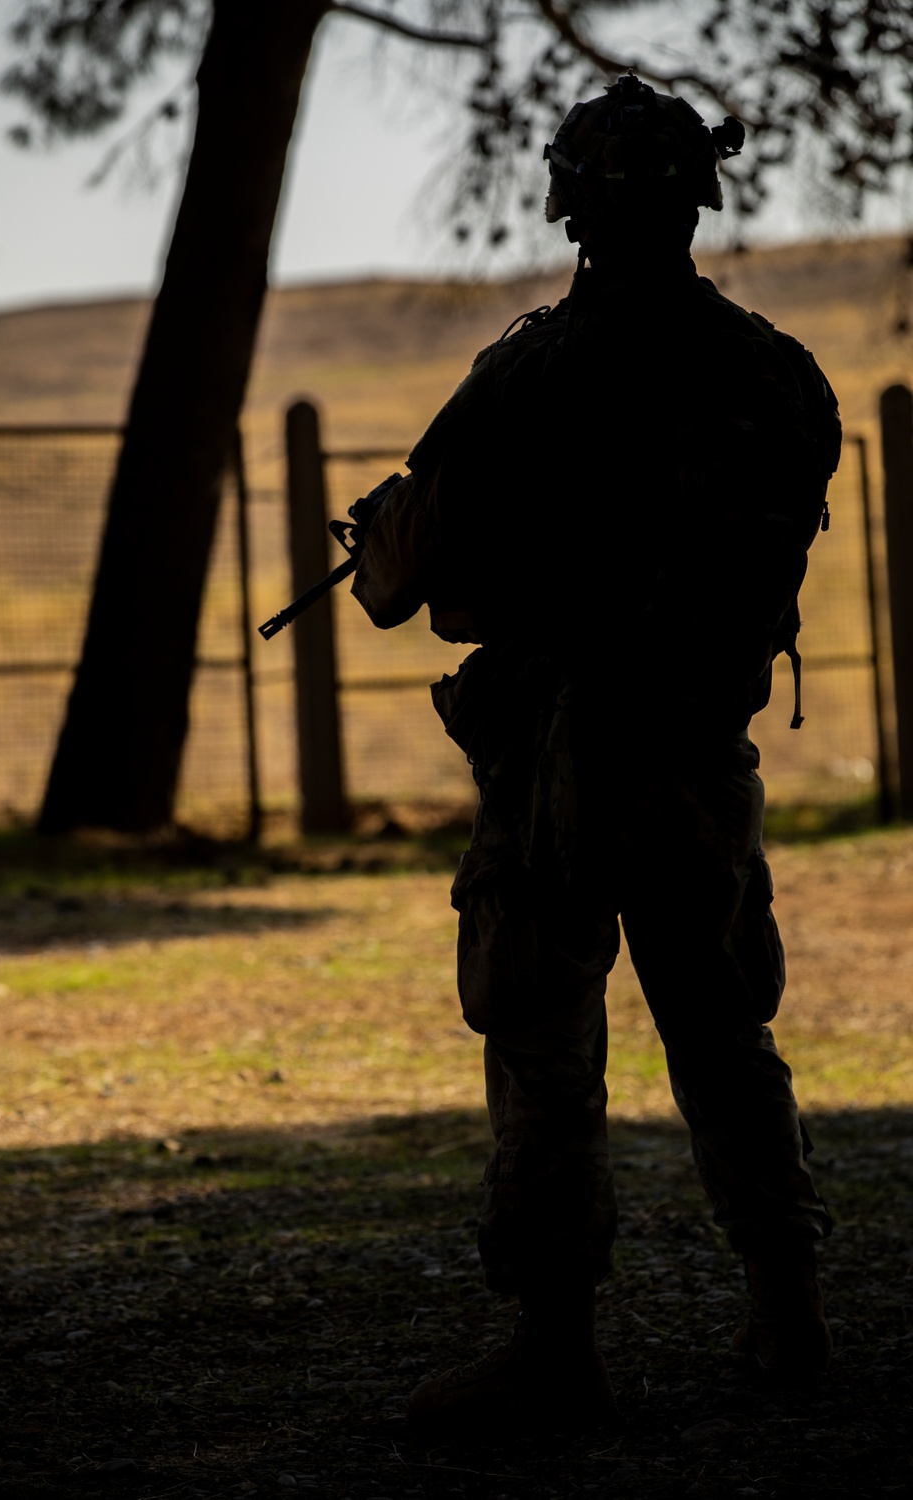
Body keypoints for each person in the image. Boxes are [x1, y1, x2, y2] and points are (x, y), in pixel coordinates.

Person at [351, 74, 840, 1433]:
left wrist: (379, 537)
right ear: (699, 196)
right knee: (724, 1028)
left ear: (568, 197)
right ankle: (788, 1307)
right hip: (699, 753)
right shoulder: (779, 376)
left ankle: (554, 1347)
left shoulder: (532, 374)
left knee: (543, 1035)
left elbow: (402, 579)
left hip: (561, 763)